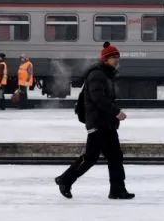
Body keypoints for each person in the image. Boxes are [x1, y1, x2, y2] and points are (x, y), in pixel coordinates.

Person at [55, 41, 135, 200]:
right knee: (99, 157)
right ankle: (66, 179)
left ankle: (117, 189)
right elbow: (99, 99)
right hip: (99, 124)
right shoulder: (97, 75)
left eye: (117, 57)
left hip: (105, 123)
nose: (117, 60)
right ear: (105, 59)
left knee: (110, 156)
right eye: (113, 58)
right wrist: (116, 112)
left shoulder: (105, 74)